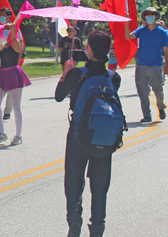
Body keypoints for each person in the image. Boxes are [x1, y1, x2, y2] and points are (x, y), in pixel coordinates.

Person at [55, 30, 121, 237]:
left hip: (78, 137)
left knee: (74, 182)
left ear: (89, 49)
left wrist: (66, 73)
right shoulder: (113, 77)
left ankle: (75, 222)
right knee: (100, 188)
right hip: (105, 138)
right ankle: (98, 227)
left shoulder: (78, 74)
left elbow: (58, 97)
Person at [125, 7, 168, 122]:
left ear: (156, 16)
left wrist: (167, 67)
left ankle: (160, 107)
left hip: (156, 65)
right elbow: (128, 36)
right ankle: (147, 115)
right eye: (147, 14)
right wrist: (127, 23)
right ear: (145, 16)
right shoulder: (141, 30)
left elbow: (165, 51)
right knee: (142, 92)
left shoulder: (162, 32)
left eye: (152, 14)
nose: (149, 16)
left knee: (158, 90)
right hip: (142, 66)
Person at [0, 22, 31, 145]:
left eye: (10, 29)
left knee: (16, 106)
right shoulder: (3, 45)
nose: (7, 30)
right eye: (7, 28)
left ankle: (18, 136)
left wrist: (13, 30)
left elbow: (13, 39)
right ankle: (2, 133)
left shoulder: (17, 44)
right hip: (3, 75)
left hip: (14, 74)